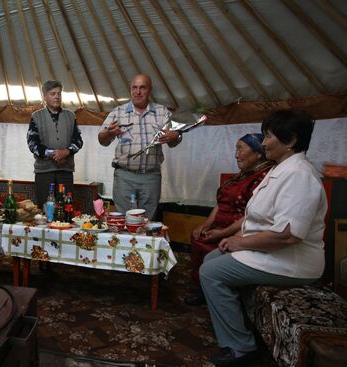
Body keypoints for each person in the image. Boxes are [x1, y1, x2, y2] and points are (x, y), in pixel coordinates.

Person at [199, 109, 327, 366]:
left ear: (290, 141)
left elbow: (286, 236)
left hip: (291, 261)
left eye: (268, 136)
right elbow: (261, 217)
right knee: (212, 257)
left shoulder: (300, 175)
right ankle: (239, 322)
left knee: (211, 273)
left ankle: (241, 348)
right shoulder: (282, 169)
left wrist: (240, 242)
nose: (264, 141)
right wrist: (236, 238)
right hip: (269, 251)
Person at [185, 134, 274, 305]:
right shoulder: (242, 175)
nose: (236, 154)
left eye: (241, 149)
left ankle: (219, 295)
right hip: (220, 227)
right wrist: (206, 224)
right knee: (198, 236)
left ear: (258, 154)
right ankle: (203, 289)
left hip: (238, 232)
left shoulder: (264, 178)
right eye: (236, 149)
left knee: (214, 251)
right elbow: (221, 203)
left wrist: (221, 234)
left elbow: (251, 216)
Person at [98, 74, 182, 220]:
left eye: (142, 88)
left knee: (147, 221)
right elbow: (101, 139)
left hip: (151, 176)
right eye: (134, 88)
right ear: (130, 90)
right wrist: (108, 133)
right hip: (125, 176)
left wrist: (176, 135)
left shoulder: (162, 112)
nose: (138, 92)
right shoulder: (118, 112)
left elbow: (174, 141)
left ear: (149, 90)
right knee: (124, 220)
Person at [27, 80, 83, 207]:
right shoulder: (36, 116)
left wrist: (66, 152)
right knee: (46, 209)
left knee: (66, 208)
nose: (57, 96)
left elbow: (78, 140)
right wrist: (55, 154)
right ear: (45, 96)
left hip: (65, 171)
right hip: (44, 172)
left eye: (59, 93)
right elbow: (32, 144)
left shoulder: (71, 116)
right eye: (53, 94)